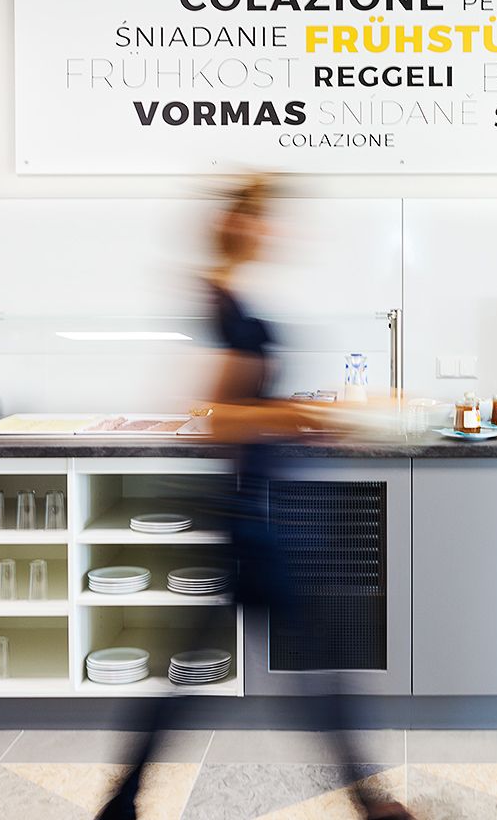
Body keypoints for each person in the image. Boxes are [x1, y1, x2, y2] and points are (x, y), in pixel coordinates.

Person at [98, 175, 414, 820]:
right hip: (257, 520)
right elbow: (219, 418)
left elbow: (239, 408)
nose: (275, 230)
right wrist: (309, 415)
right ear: (241, 226)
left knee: (217, 670)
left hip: (254, 514)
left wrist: (300, 413)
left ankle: (124, 801)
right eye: (264, 219)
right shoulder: (226, 303)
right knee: (315, 663)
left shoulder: (229, 298)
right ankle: (370, 802)